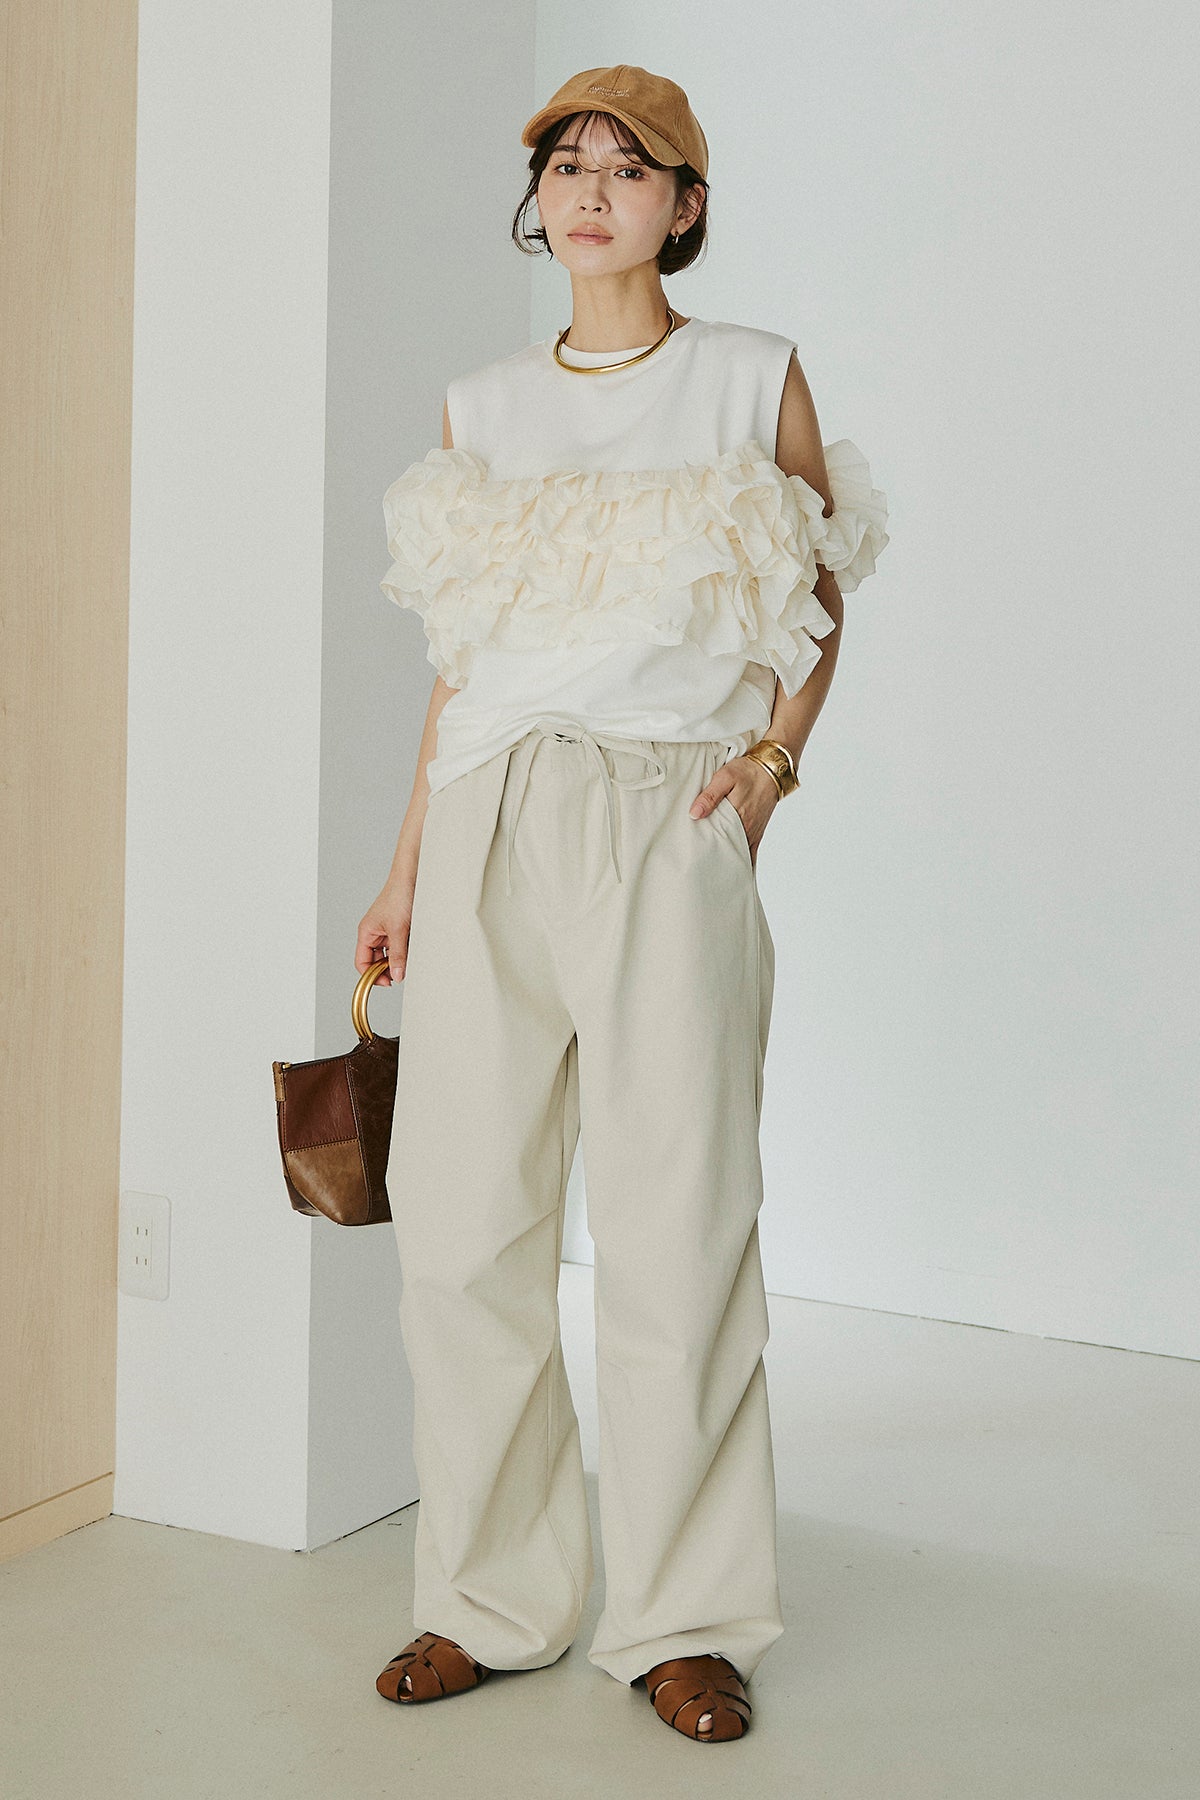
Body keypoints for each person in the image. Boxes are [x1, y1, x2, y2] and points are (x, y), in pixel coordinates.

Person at [357, 63, 889, 1744]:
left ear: (685, 204)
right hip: (489, 816)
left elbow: (820, 600)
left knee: (678, 1224)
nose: (590, 193)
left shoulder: (748, 377)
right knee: (462, 1233)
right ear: (540, 199)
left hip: (672, 812)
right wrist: (405, 866)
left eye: (629, 168)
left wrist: (769, 776)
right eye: (565, 164)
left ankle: (687, 1621)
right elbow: (465, 661)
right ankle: (486, 1602)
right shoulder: (483, 405)